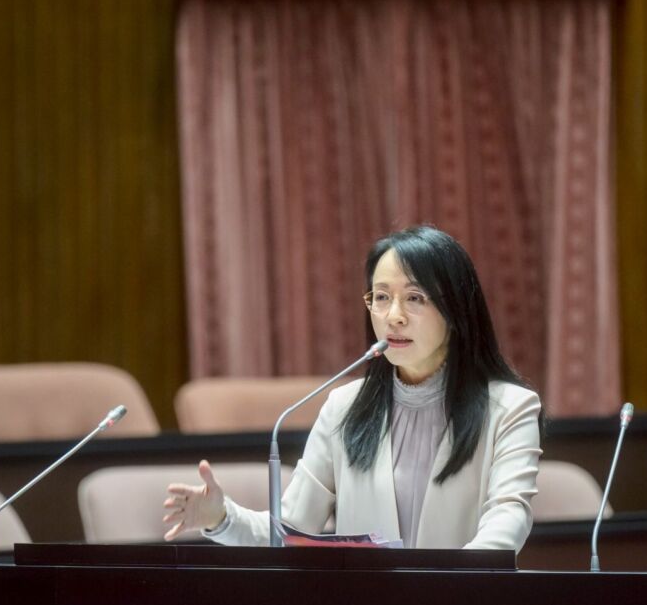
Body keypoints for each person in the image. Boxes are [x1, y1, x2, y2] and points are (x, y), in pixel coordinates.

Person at [163, 225, 543, 551]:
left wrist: (448, 588)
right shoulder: (344, 408)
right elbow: (289, 530)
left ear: (456, 311)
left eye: (414, 298)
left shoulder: (510, 409)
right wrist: (222, 517)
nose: (393, 316)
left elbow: (507, 518)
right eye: (382, 297)